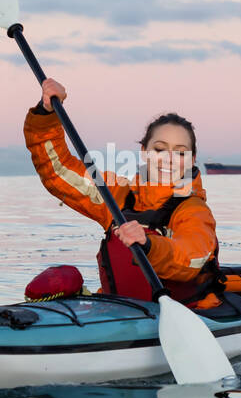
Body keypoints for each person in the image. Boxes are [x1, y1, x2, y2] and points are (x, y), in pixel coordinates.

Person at [24, 78, 224, 310]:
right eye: (159, 149)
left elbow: (191, 257)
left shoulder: (194, 211)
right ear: (144, 152)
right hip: (121, 312)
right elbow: (58, 170)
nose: (169, 159)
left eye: (180, 153)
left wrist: (149, 245)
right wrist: (46, 113)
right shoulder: (115, 196)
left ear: (192, 159)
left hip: (184, 312)